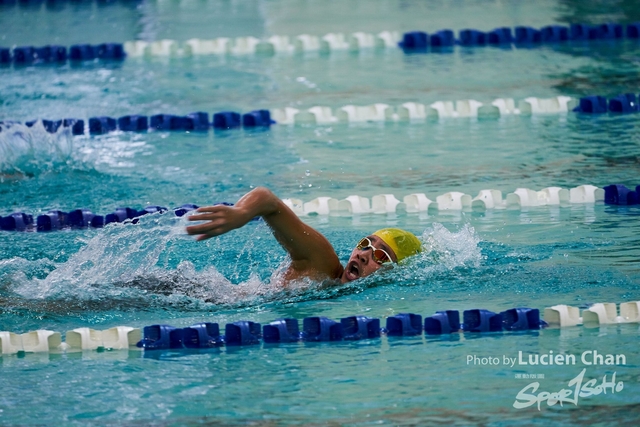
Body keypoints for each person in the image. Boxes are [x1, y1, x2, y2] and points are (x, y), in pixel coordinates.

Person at [186, 187, 422, 285]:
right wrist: (242, 212)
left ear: (396, 273)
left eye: (380, 255)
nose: (362, 255)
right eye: (365, 244)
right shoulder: (324, 263)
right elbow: (267, 200)